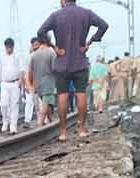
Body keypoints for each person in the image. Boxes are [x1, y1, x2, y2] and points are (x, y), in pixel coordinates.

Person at [38, 0, 109, 142]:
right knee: (81, 94)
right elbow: (104, 25)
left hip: (62, 62)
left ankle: (63, 132)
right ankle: (82, 129)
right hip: (80, 61)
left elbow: (40, 32)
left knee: (62, 96)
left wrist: (54, 47)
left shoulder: (56, 15)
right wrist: (91, 41)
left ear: (63, 1)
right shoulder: (86, 13)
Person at [0, 37, 25, 135]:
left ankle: (13, 126)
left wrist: (21, 80)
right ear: (5, 47)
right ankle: (5, 121)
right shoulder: (0, 57)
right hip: (4, 83)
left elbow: (21, 69)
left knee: (14, 105)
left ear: (13, 46)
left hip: (15, 83)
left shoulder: (18, 55)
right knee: (3, 104)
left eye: (10, 47)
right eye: (7, 47)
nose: (9, 49)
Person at [30, 35, 57, 126]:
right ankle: (40, 123)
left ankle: (50, 120)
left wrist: (32, 84)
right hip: (48, 83)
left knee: (46, 102)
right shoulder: (51, 53)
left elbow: (30, 71)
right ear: (48, 41)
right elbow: (54, 69)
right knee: (45, 104)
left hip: (38, 83)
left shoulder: (34, 55)